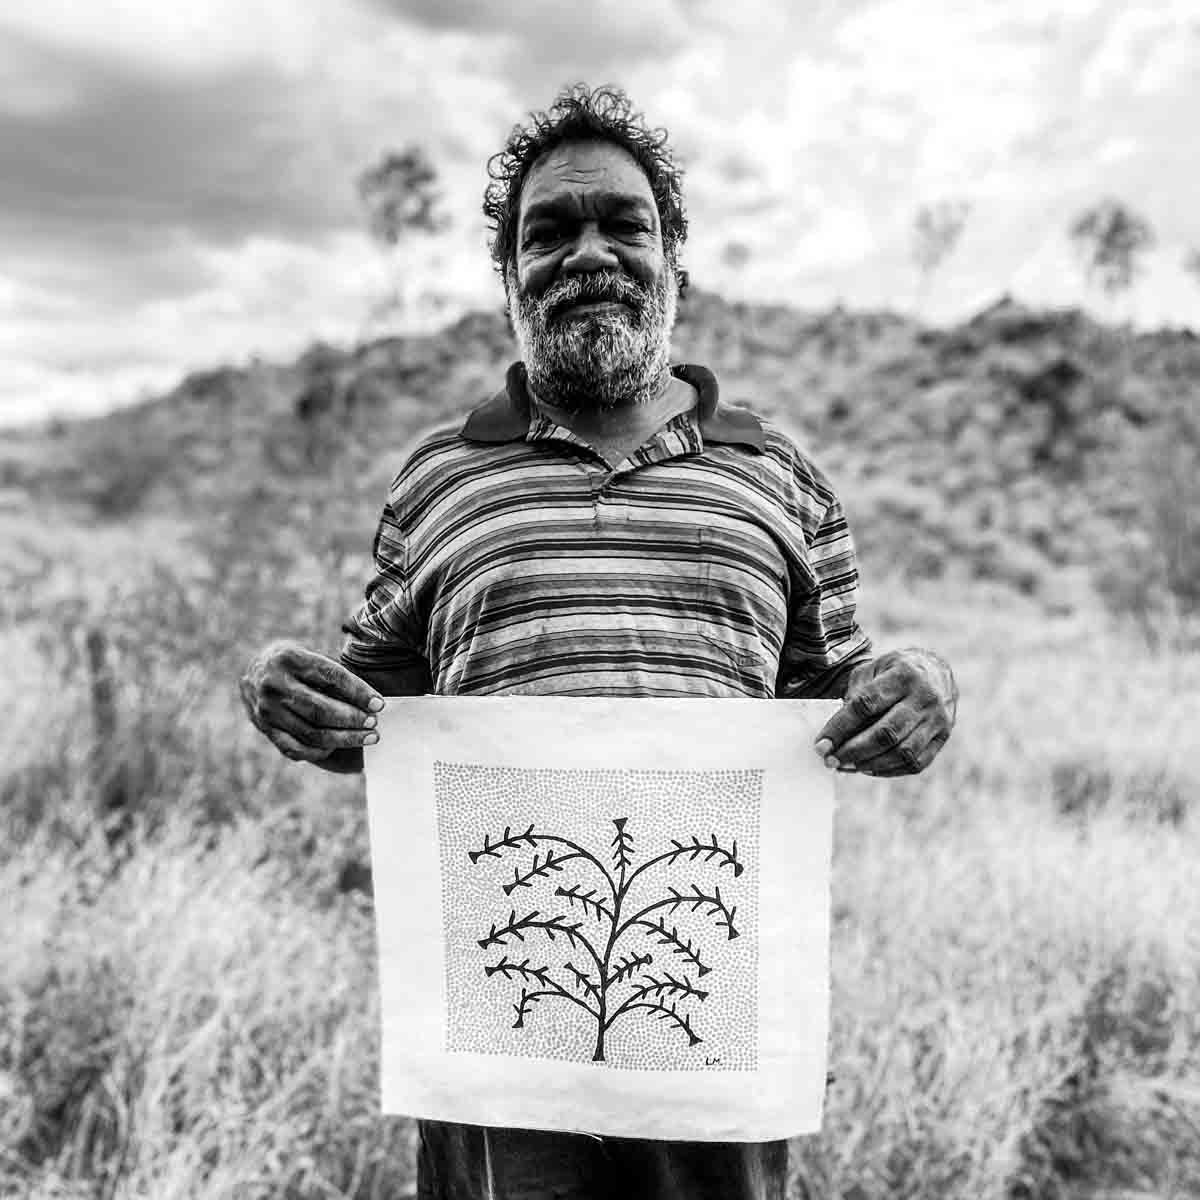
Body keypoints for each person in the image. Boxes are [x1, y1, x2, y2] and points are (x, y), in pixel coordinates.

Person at [240, 83, 957, 1200]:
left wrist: (926, 690)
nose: (588, 253)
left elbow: (841, 696)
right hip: (498, 1013)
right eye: (549, 231)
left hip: (707, 1011)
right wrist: (286, 692)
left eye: (623, 224)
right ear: (510, 276)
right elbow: (371, 722)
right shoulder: (440, 476)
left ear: (676, 259)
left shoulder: (778, 472)